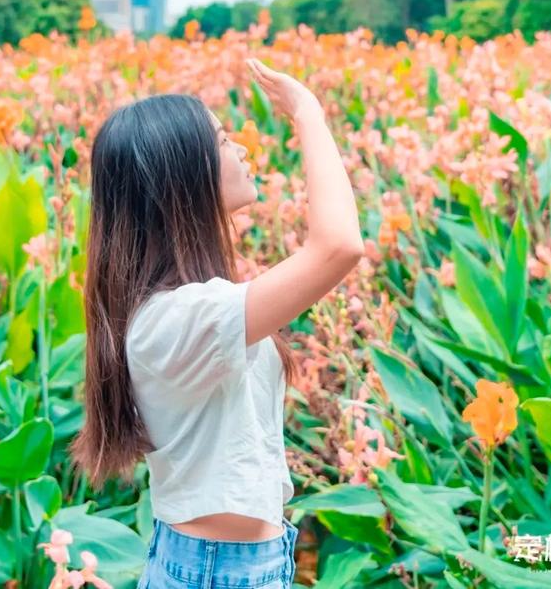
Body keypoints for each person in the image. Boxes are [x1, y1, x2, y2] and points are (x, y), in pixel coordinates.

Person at [70, 57, 364, 588]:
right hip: (215, 572)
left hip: (239, 564)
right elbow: (339, 246)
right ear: (182, 176)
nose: (244, 149)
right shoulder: (175, 321)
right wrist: (308, 114)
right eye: (226, 141)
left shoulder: (188, 306)